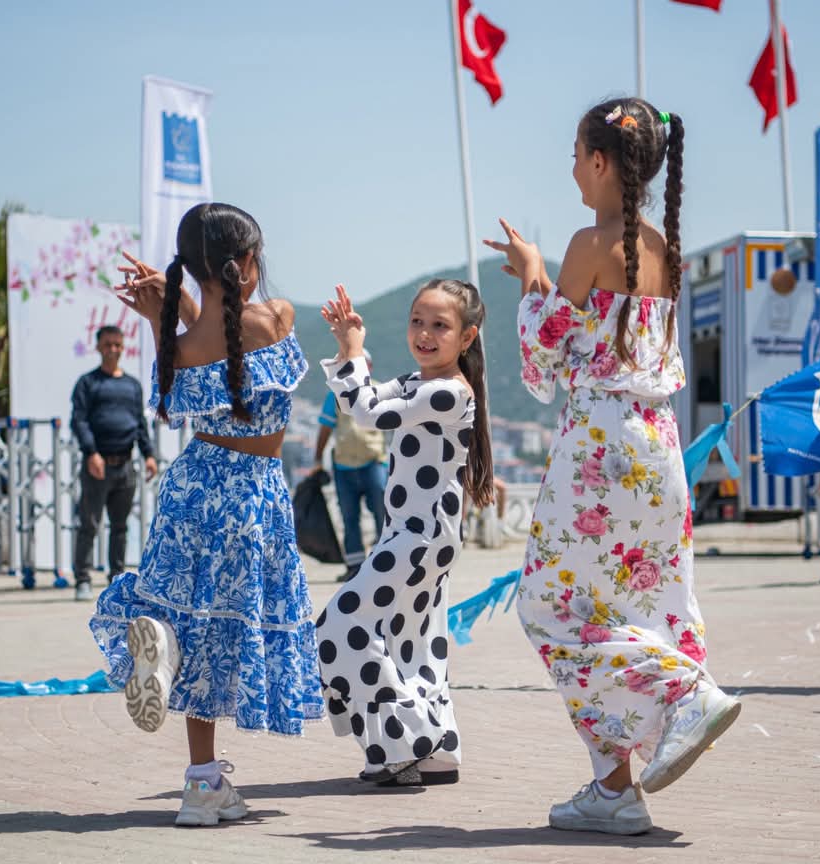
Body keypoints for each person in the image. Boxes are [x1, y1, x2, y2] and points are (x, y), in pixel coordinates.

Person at [486, 98, 740, 834]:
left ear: (601, 162)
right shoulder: (665, 245)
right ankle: (614, 789)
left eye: (575, 153)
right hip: (657, 446)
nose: (570, 166)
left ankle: (686, 692)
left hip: (599, 443)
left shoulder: (589, 243)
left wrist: (533, 273)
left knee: (552, 607)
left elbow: (545, 348)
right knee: (637, 609)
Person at [88, 204, 323, 827]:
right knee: (229, 628)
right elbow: (244, 343)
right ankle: (205, 787)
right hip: (252, 494)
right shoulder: (276, 318)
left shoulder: (180, 345)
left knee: (191, 626)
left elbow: (214, 349)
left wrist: (173, 310)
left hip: (193, 488)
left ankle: (201, 781)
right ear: (246, 262)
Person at [315, 280, 493, 787]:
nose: (426, 333)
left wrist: (352, 351)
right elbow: (362, 403)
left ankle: (406, 743)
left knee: (340, 625)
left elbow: (370, 413)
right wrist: (350, 344)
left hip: (420, 537)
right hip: (416, 536)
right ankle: (435, 752)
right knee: (409, 643)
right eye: (418, 321)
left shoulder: (447, 392)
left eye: (440, 325)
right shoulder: (422, 383)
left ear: (467, 336)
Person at [70, 324, 158, 601]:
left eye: (117, 345)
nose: (112, 350)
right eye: (107, 345)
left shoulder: (132, 386)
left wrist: (149, 455)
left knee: (120, 527)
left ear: (123, 347)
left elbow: (140, 425)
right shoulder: (88, 383)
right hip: (97, 465)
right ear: (98, 347)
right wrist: (91, 453)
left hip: (125, 466)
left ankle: (116, 579)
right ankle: (82, 579)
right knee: (90, 524)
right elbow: (79, 421)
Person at [313, 348, 388, 580]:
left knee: (383, 514)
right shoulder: (335, 395)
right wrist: (318, 459)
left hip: (374, 461)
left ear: (369, 368)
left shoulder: (380, 391)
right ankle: (355, 568)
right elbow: (325, 428)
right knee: (349, 517)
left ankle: (384, 565)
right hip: (344, 465)